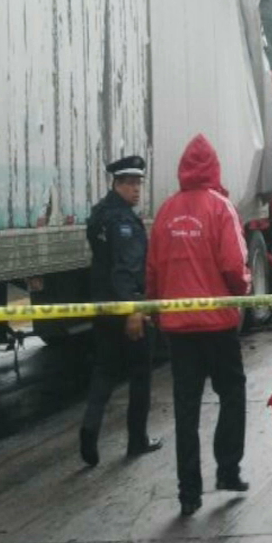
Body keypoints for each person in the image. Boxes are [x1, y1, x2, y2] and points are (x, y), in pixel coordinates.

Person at [147, 135, 252, 517]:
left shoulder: (166, 212)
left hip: (178, 330)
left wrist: (156, 311)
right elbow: (234, 266)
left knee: (186, 408)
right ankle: (227, 470)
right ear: (214, 169)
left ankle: (188, 492)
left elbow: (152, 269)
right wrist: (242, 291)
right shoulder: (221, 208)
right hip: (218, 325)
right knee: (232, 393)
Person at [78, 155, 161, 466]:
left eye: (138, 183)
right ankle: (137, 439)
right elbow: (125, 269)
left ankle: (90, 428)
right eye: (129, 183)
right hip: (128, 310)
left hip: (102, 306)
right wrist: (134, 309)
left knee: (104, 369)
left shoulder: (99, 214)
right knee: (140, 374)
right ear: (116, 184)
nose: (136, 189)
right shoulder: (123, 222)